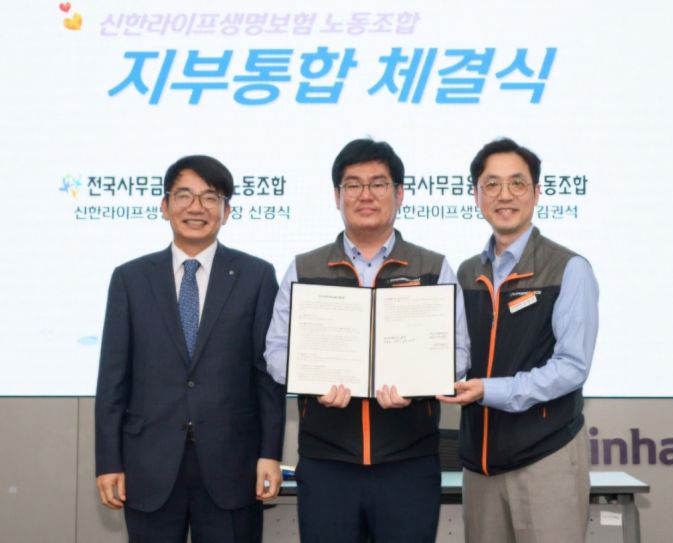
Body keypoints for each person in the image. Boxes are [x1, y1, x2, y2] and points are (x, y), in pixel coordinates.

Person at [265, 138, 470, 543]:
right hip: (327, 464)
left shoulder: (433, 267)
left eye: (378, 184)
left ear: (399, 194)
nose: (365, 195)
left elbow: (458, 354)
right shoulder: (305, 268)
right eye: (353, 185)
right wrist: (313, 380)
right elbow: (276, 352)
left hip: (409, 463)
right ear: (336, 196)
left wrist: (417, 384)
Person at [95, 155, 286, 543]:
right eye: (184, 195)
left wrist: (271, 453)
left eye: (210, 197)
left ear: (226, 211)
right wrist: (108, 461)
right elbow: (113, 379)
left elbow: (266, 376)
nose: (196, 207)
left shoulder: (256, 276)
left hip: (233, 464)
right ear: (165, 206)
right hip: (148, 464)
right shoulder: (130, 279)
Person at [439, 138, 599, 543]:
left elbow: (571, 368)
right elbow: (454, 352)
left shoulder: (568, 268)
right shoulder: (465, 273)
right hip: (481, 465)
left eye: (517, 183)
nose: (504, 195)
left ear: (536, 192)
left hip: (545, 457)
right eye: (491, 184)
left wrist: (489, 390)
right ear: (476, 195)